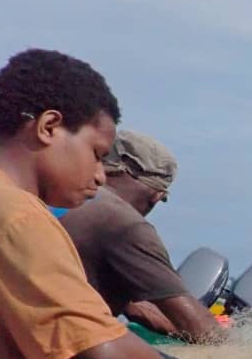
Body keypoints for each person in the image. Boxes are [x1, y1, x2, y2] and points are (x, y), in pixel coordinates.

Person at [0, 49, 217, 359]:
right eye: (97, 154)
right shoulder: (19, 215)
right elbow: (99, 344)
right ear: (49, 127)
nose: (101, 175)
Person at [60, 130, 223, 343]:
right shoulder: (123, 224)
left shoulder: (61, 196)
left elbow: (136, 308)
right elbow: (201, 329)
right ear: (157, 196)